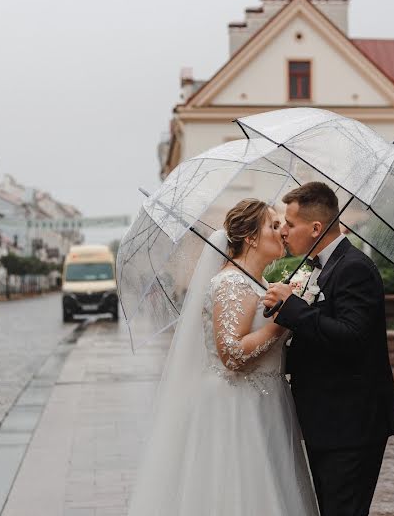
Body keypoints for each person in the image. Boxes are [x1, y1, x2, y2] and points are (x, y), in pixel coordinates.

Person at [127, 199, 319, 516]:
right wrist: (279, 325)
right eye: (273, 226)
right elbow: (230, 354)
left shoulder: (258, 284)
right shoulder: (230, 283)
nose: (282, 232)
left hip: (266, 401)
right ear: (251, 238)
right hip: (236, 406)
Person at [263, 181, 394, 516]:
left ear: (315, 228)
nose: (284, 231)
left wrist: (294, 308)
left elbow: (352, 337)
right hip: (325, 420)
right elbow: (316, 337)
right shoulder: (320, 267)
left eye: (291, 224)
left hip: (351, 423)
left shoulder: (354, 268)